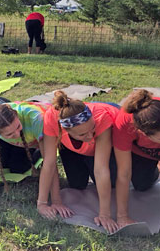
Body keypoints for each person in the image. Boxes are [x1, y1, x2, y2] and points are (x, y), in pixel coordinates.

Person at [40, 92, 127, 233]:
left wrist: (105, 215)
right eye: (82, 134)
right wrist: (43, 203)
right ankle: (83, 155)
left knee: (112, 182)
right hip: (73, 146)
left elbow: (101, 169)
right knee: (77, 184)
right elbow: (49, 163)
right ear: (65, 130)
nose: (90, 136)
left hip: (106, 137)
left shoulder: (101, 118)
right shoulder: (51, 118)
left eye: (92, 129)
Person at [114, 90, 160, 199]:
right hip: (144, 152)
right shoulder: (124, 123)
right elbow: (123, 172)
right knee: (141, 185)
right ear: (142, 132)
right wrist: (122, 215)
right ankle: (157, 165)